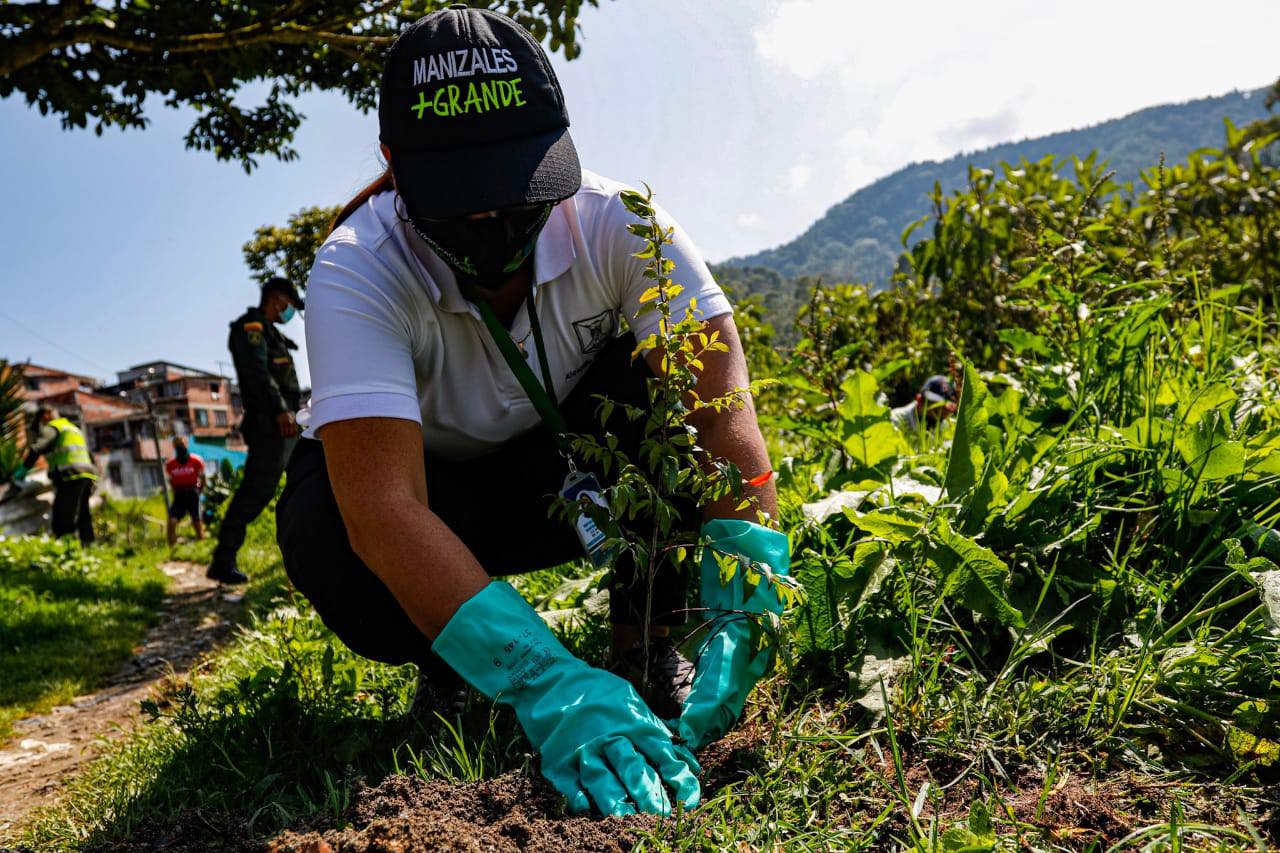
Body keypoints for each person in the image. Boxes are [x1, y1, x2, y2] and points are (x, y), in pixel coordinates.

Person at [276, 7, 789, 819]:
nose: (491, 227)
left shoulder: (625, 224)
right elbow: (384, 509)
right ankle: (460, 658)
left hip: (558, 464)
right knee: (328, 536)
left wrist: (751, 582)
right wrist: (546, 680)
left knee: (656, 399)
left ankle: (644, 646)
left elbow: (722, 417)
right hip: (434, 495)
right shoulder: (356, 269)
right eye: (459, 204)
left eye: (517, 195)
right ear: (394, 167)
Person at [208, 277, 304, 584]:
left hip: (289, 425)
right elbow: (257, 373)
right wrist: (280, 410)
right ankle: (223, 561)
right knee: (255, 493)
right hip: (272, 425)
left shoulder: (271, 332)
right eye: (289, 305)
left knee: (308, 479)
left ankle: (311, 553)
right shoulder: (251, 328)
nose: (290, 312)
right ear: (277, 299)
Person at [12, 405, 97, 544]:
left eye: (40, 424)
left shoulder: (53, 427)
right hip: (87, 475)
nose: (41, 429)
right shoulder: (72, 428)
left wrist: (24, 468)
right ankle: (89, 548)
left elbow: (38, 448)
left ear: (45, 416)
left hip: (70, 476)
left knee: (62, 519)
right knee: (83, 515)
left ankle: (66, 551)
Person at [164, 436, 206, 547]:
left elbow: (203, 478)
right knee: (172, 522)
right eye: (177, 444)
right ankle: (172, 549)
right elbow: (170, 480)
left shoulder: (196, 460)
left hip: (193, 493)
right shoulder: (170, 464)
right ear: (174, 446)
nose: (180, 446)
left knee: (196, 522)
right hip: (179, 495)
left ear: (186, 444)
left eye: (181, 443)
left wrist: (199, 490)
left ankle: (202, 545)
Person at [890, 374, 959, 433]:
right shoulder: (896, 419)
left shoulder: (949, 428)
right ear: (919, 400)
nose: (938, 414)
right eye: (934, 409)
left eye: (944, 409)